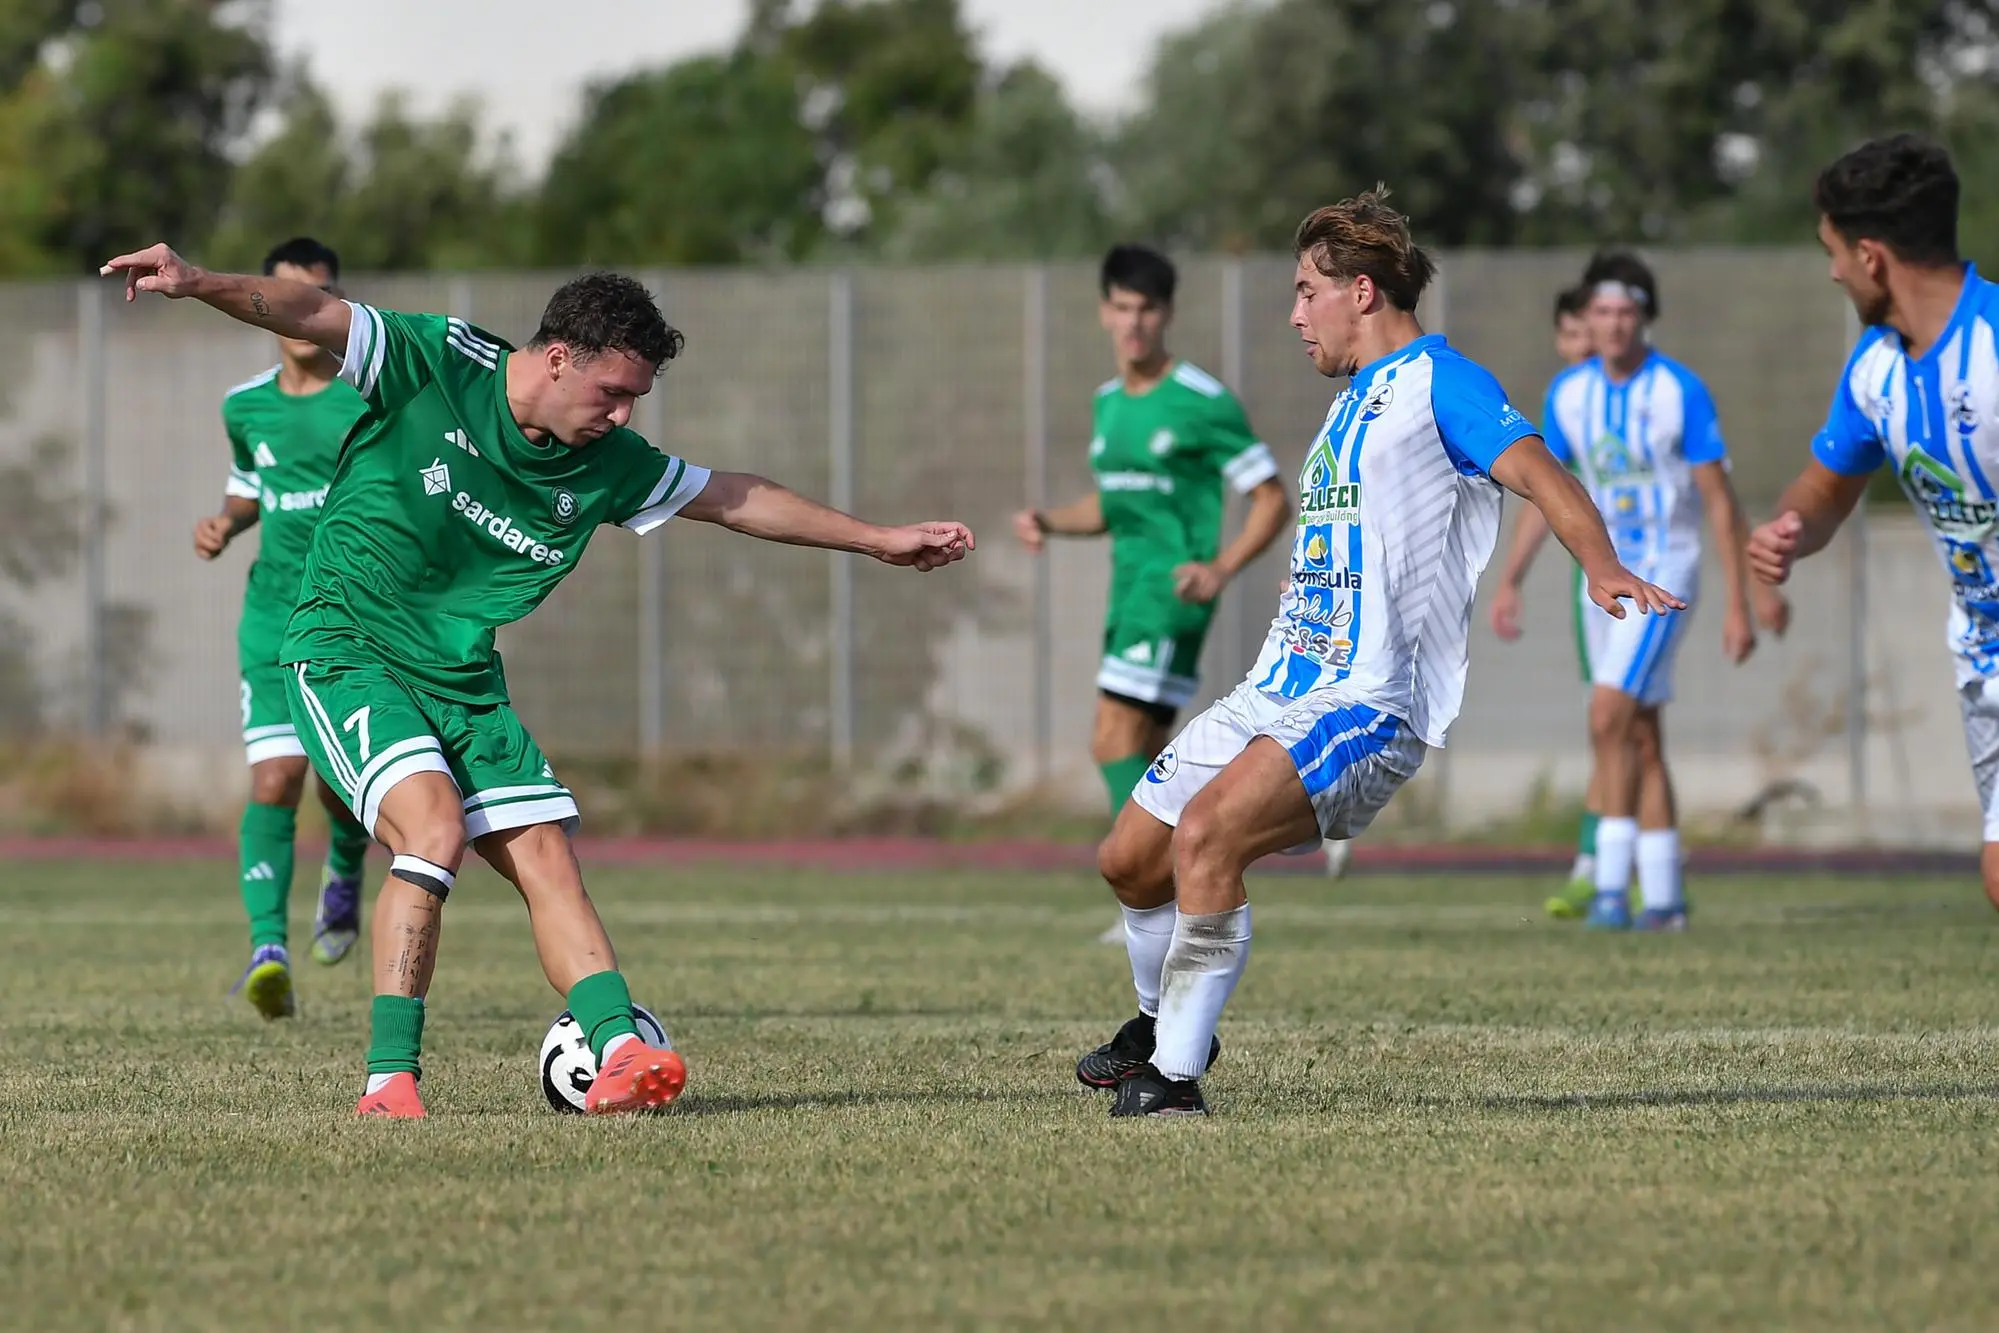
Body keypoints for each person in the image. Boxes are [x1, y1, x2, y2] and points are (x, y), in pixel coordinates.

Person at [105, 242, 973, 1118]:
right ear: (558, 358)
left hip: (464, 677)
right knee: (434, 827)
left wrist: (878, 539)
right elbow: (305, 312)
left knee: (551, 857)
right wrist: (198, 282)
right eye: (613, 392)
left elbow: (734, 497)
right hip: (347, 647)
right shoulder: (437, 358)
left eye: (637, 397)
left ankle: (624, 1052)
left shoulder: (608, 461)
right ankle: (389, 1082)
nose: (624, 414)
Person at [1076, 189, 1681, 1116]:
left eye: (1304, 291)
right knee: (1129, 855)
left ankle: (1176, 1077)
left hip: (1365, 701)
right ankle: (1158, 1024)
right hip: (1275, 684)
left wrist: (1598, 564)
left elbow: (1536, 467)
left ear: (1361, 291)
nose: (1292, 314)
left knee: (1206, 837)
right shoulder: (1351, 404)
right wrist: (1308, 582)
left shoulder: (1441, 382)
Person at [1490, 254, 1780, 930]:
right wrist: (1509, 578)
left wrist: (1740, 601)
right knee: (1641, 735)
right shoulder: (1567, 394)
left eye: (1626, 313)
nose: (1614, 325)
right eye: (1602, 313)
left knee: (1605, 715)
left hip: (1664, 573)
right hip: (1604, 578)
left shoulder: (1679, 390)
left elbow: (1718, 502)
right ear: (1585, 319)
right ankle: (1667, 897)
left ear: (1643, 317)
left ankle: (1611, 888)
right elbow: (1546, 492)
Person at [1749, 133, 1999, 910]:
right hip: (1982, 653)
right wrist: (1790, 526)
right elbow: (1827, 488)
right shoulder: (1874, 369)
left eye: (1831, 252)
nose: (1829, 272)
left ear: (1870, 256)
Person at [1011, 244, 1290, 839]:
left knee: (1111, 738)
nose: (1133, 322)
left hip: (1171, 593)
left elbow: (1272, 499)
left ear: (1166, 314)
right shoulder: (1107, 404)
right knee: (1150, 754)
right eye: (1122, 307)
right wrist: (1050, 521)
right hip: (1128, 593)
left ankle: (1145, 893)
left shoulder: (1200, 400)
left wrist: (1220, 568)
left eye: (1146, 309)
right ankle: (1186, 881)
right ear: (1103, 313)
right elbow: (1112, 505)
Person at [195, 237, 375, 1018]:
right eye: (290, 296)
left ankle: (345, 862)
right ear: (263, 303)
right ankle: (267, 948)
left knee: (339, 788)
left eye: (321, 295)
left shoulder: (371, 397)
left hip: (351, 621)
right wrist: (224, 524)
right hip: (270, 617)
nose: (306, 313)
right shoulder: (245, 405)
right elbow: (251, 486)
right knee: (274, 780)